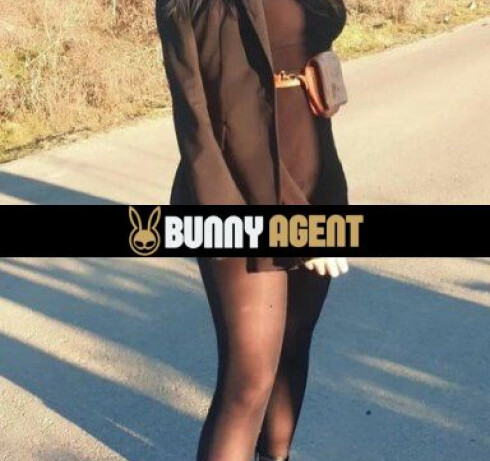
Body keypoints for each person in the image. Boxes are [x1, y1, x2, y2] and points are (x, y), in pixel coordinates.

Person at [156, 0, 349, 459]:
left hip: (317, 182)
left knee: (293, 350)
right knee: (248, 381)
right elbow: (218, 120)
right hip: (236, 196)